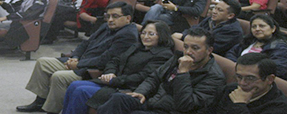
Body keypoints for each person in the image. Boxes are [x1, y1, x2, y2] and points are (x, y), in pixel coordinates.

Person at [16, 2, 138, 113]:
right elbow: (85, 43)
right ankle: (40, 101)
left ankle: (52, 110)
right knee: (42, 62)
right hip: (81, 60)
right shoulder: (107, 26)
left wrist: (78, 64)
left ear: (128, 18)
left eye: (115, 16)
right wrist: (75, 56)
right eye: (108, 16)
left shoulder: (127, 35)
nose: (110, 20)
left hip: (92, 69)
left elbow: (105, 60)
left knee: (59, 77)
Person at [96, 27, 226, 114]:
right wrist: (141, 92)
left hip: (171, 111)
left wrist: (183, 73)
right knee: (118, 99)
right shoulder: (178, 57)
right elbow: (154, 77)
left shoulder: (214, 76)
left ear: (209, 50)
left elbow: (186, 105)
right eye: (186, 47)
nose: (188, 52)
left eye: (195, 48)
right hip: (154, 102)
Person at [61, 20, 174, 114]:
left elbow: (142, 77)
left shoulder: (164, 55)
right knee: (74, 85)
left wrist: (115, 80)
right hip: (113, 81)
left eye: (151, 34)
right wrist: (110, 72)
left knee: (81, 91)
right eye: (143, 33)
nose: (145, 37)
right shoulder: (137, 46)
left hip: (127, 87)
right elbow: (115, 60)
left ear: (161, 36)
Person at [208, 53, 287, 114]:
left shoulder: (281, 108)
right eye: (239, 77)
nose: (242, 83)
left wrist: (239, 105)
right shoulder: (229, 89)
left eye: (250, 78)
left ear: (269, 79)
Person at [226, 14, 287, 79]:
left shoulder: (279, 46)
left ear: (273, 28)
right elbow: (231, 52)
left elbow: (278, 69)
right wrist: (237, 66)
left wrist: (246, 70)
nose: (257, 29)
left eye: (262, 26)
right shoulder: (249, 41)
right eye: (254, 27)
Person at [173, 0, 243, 56]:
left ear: (230, 16)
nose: (214, 12)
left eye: (220, 10)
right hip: (194, 48)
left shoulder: (233, 31)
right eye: (215, 8)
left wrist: (183, 36)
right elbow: (195, 29)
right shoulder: (211, 19)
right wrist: (183, 34)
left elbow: (210, 46)